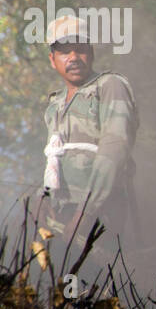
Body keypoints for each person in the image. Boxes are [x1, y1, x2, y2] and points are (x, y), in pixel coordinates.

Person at [41, 15, 140, 264]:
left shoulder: (109, 86)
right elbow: (53, 162)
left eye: (80, 48)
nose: (73, 57)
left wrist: (85, 215)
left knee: (100, 286)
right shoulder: (54, 105)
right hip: (62, 219)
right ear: (52, 60)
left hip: (100, 216)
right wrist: (42, 202)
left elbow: (114, 150)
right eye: (64, 50)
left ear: (91, 53)